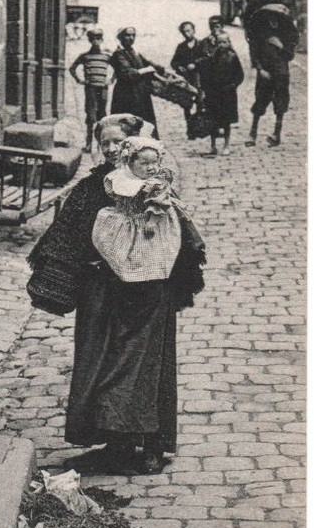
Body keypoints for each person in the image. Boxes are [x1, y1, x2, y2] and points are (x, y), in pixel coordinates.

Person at [26, 114, 205, 475]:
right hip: (102, 293)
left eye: (116, 141)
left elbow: (178, 237)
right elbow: (67, 233)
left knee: (144, 365)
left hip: (148, 294)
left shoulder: (157, 186)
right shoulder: (93, 187)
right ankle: (114, 444)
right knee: (100, 364)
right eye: (103, 142)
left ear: (134, 144)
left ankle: (152, 445)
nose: (109, 148)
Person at [92, 137, 185, 283]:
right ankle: (125, 278)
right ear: (130, 163)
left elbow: (159, 205)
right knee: (123, 253)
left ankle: (148, 280)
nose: (151, 167)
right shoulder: (121, 178)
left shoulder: (155, 184)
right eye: (144, 163)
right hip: (126, 220)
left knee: (147, 254)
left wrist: (152, 222)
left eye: (154, 162)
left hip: (149, 223)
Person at [245, 1, 298, 148]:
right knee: (260, 101)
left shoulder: (287, 36)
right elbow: (254, 54)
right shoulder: (260, 35)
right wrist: (260, 69)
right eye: (270, 18)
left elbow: (289, 56)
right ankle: (253, 132)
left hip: (281, 72)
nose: (273, 21)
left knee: (280, 101)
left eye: (276, 18)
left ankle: (277, 133)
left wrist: (280, 45)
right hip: (265, 72)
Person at [110, 27, 164, 136]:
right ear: (120, 37)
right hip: (126, 95)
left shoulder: (134, 52)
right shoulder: (118, 54)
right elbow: (127, 73)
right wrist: (146, 70)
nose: (131, 38)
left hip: (141, 93)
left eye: (133, 35)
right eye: (128, 35)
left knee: (146, 123)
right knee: (127, 125)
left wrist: (159, 68)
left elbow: (148, 63)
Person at [198, 33, 245, 157]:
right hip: (214, 93)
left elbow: (239, 75)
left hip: (228, 94)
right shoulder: (212, 58)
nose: (222, 45)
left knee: (226, 121)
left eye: (224, 42)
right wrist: (205, 89)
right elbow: (206, 74)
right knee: (213, 119)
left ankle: (226, 144)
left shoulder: (233, 57)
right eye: (219, 42)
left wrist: (233, 85)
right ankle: (213, 145)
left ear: (229, 43)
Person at [69, 26, 112, 152]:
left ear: (102, 40)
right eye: (93, 39)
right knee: (90, 116)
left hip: (103, 89)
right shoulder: (85, 56)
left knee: (102, 117)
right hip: (91, 89)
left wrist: (111, 80)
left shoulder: (106, 56)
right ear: (89, 40)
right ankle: (88, 144)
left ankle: (101, 145)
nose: (96, 41)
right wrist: (80, 80)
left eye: (98, 38)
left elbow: (117, 68)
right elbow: (72, 68)